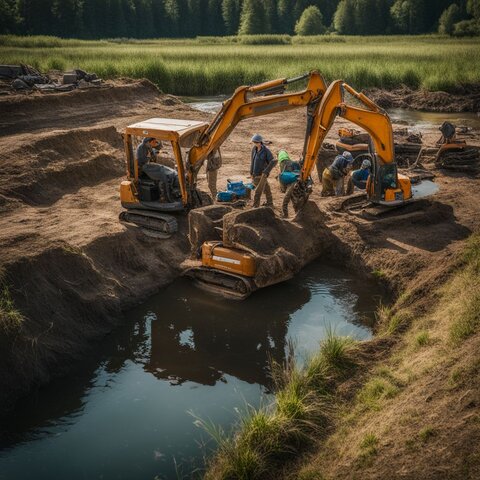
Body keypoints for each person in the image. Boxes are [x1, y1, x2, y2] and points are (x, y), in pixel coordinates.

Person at [250, 133, 274, 207]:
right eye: (254, 142)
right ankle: (270, 203)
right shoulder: (254, 149)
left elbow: (273, 162)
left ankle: (255, 206)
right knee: (266, 189)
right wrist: (251, 172)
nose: (255, 144)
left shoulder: (266, 151)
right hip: (255, 174)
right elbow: (252, 161)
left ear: (260, 142)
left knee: (258, 191)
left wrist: (266, 172)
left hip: (262, 175)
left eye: (256, 142)